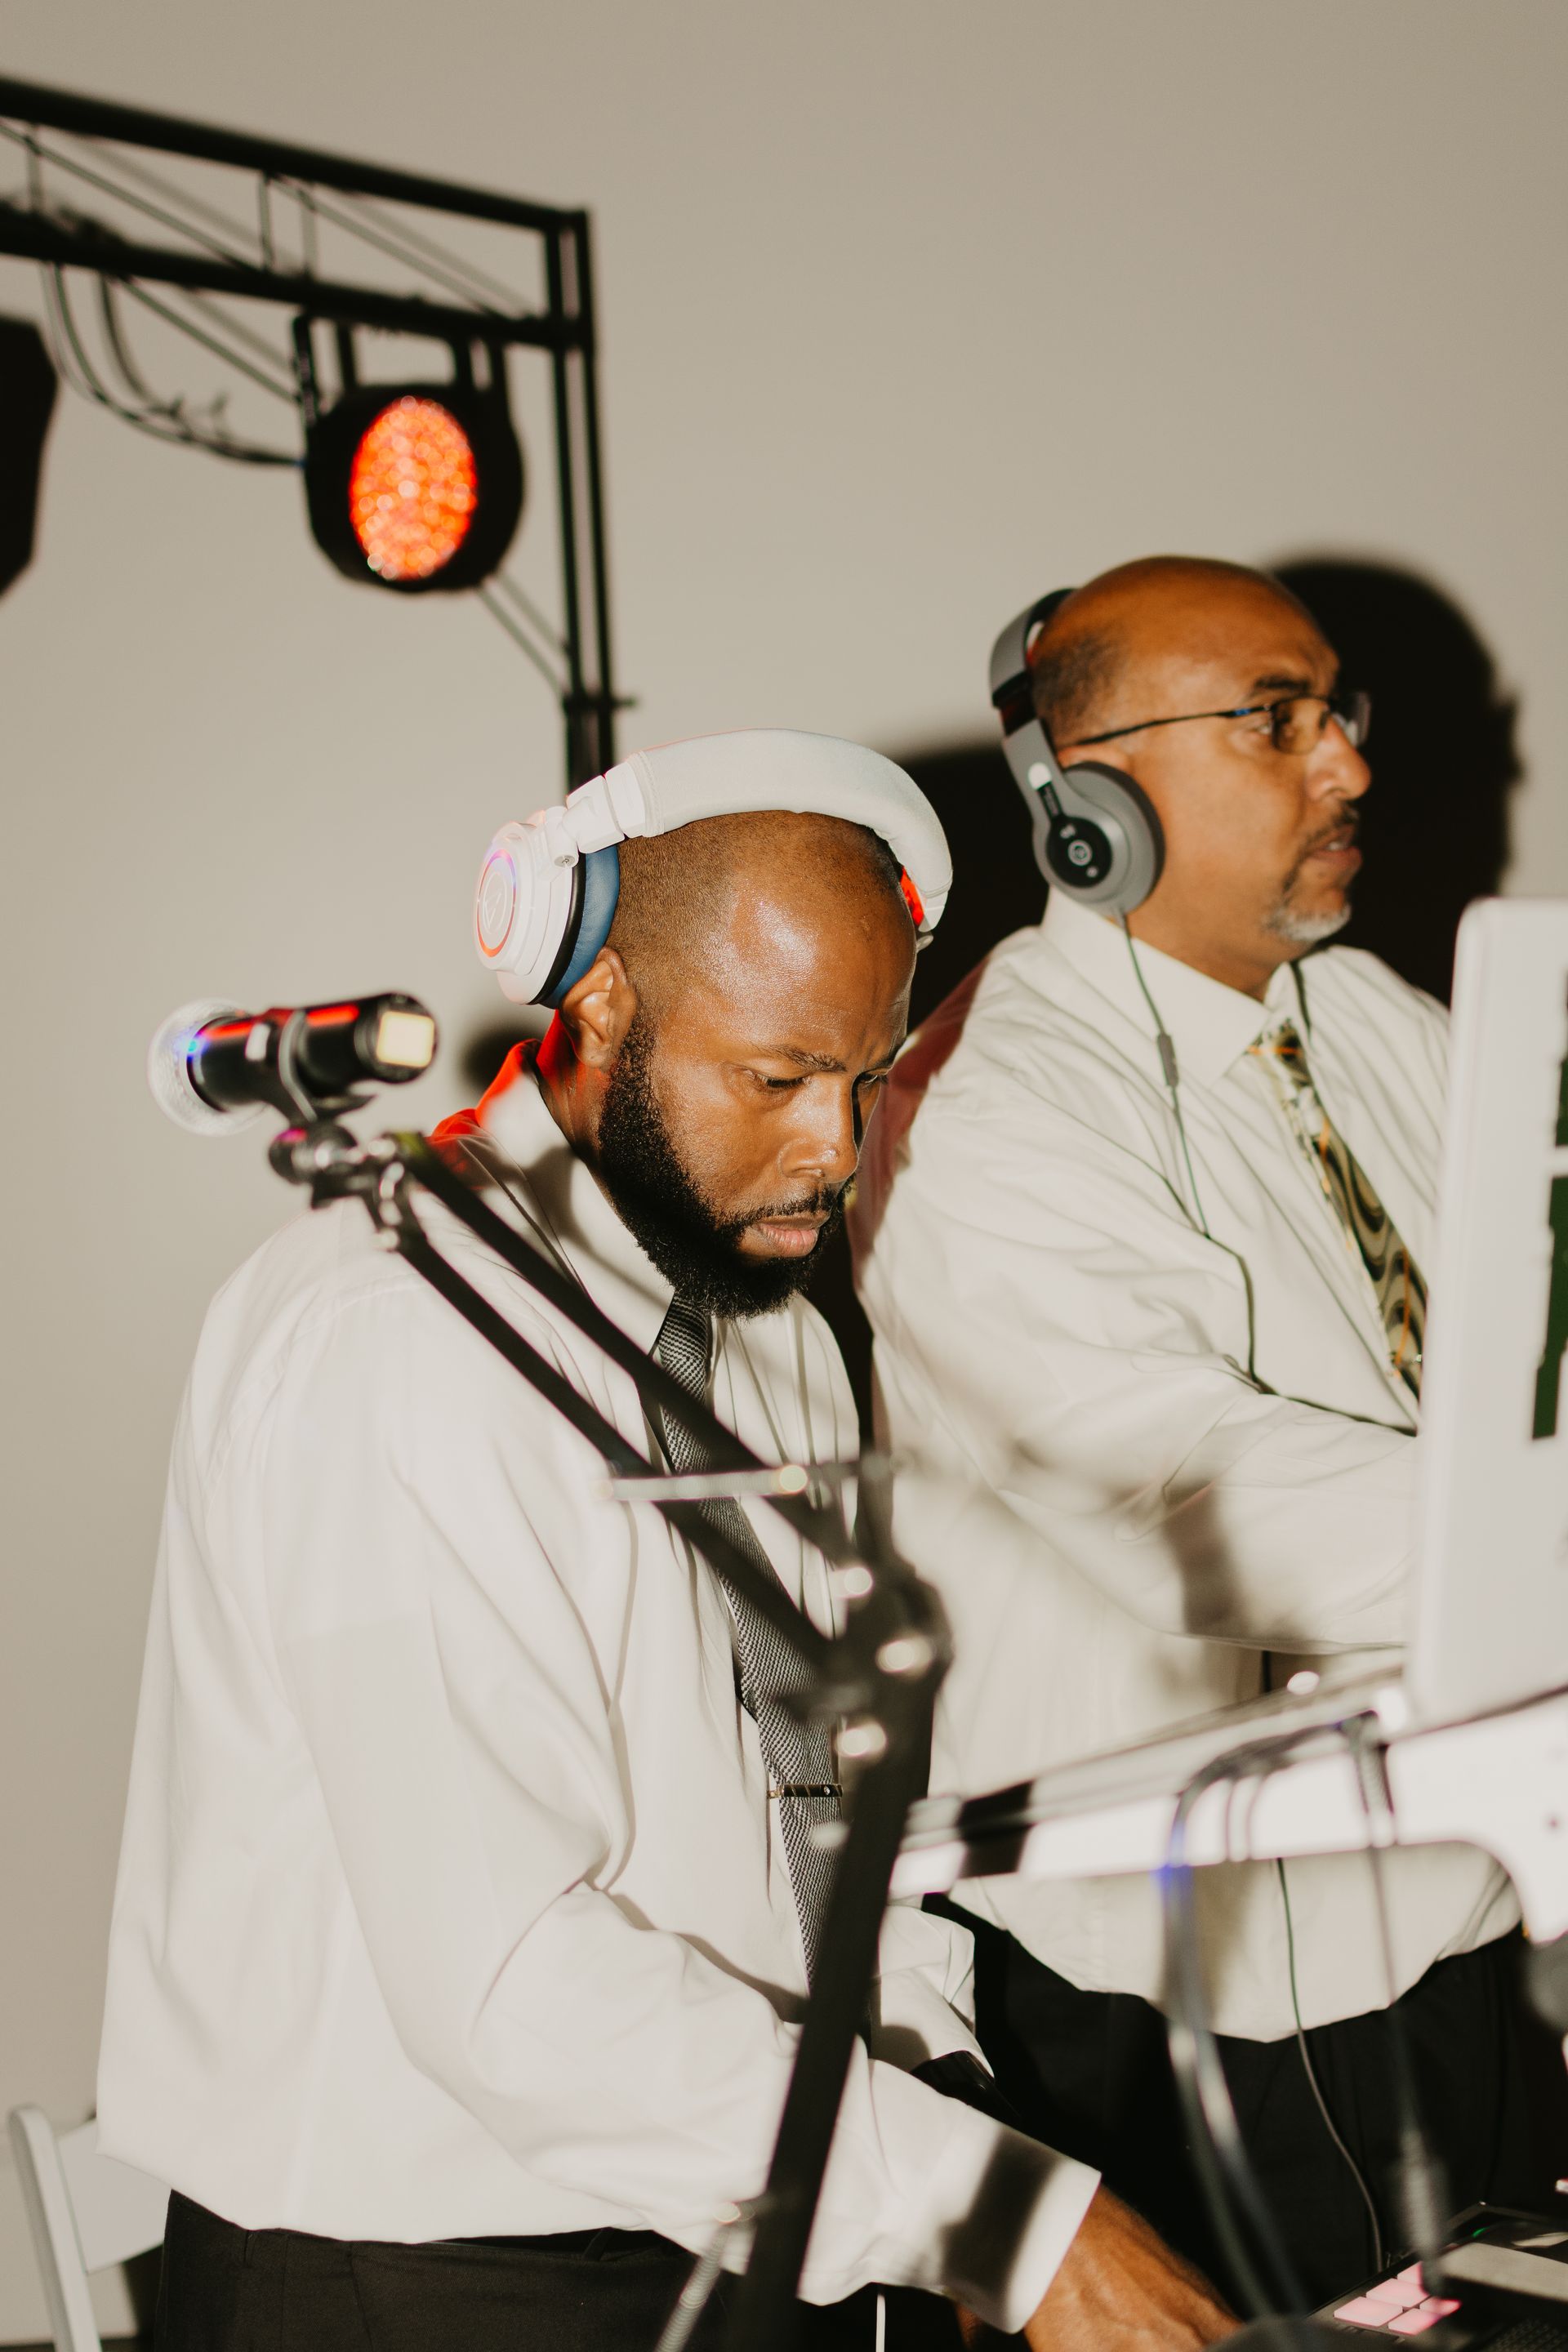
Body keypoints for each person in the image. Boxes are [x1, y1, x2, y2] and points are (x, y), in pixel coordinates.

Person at [97, 731, 1235, 2351]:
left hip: (743, 2209)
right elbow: (508, 1986)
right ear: (604, 1010)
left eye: (868, 1074)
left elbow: (841, 1805)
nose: (838, 1151)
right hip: (421, 2267)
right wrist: (1001, 2221)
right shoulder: (399, 1331)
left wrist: (942, 2098)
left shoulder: (770, 1324)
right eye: (776, 1079)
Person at [851, 563, 1536, 2308]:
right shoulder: (984, 1110)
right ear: (1085, 801)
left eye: (1341, 716)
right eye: (1276, 720)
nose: (1350, 770)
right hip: (1188, 1987)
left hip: (1443, 1920)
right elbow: (1181, 1488)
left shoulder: (1372, 1023)